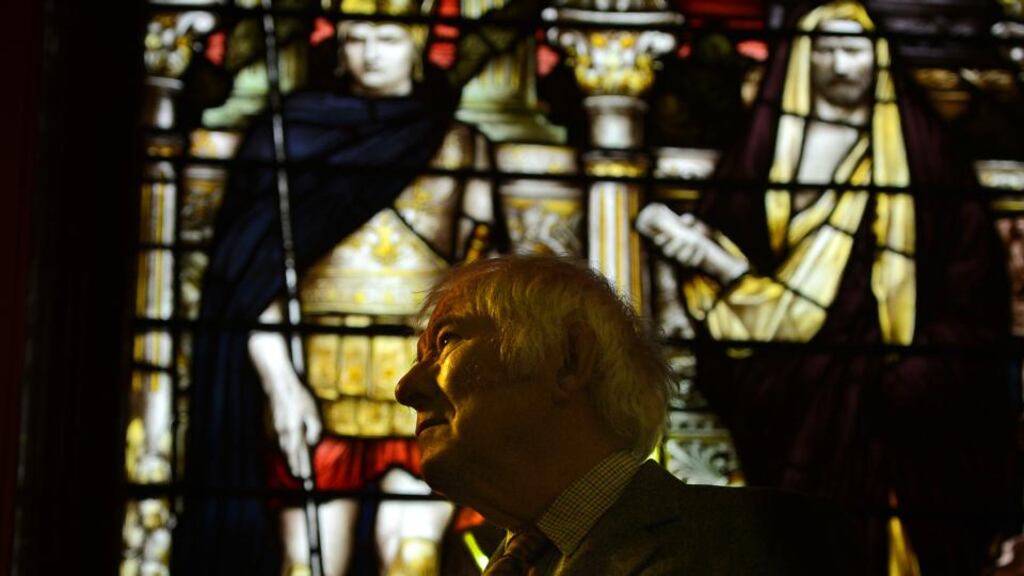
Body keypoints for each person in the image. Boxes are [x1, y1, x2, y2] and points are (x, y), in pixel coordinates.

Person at [637, 1, 1018, 573]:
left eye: (854, 48)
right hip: (789, 396)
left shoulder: (924, 157)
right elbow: (726, 254)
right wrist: (718, 269)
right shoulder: (762, 154)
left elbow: (971, 276)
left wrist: (918, 369)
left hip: (893, 402)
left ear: (878, 57)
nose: (841, 64)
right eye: (828, 49)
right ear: (803, 58)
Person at [175, 0, 550, 573]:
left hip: (425, 380)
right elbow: (252, 283)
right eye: (357, 38)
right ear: (338, 44)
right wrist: (281, 385)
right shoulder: (288, 136)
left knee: (413, 560)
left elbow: (483, 277)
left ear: (421, 43)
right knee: (305, 563)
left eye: (390, 37)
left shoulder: (460, 143)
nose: (372, 54)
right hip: (316, 379)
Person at [395, 255, 852, 575]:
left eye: (446, 341)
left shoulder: (753, 545)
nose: (405, 388)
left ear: (569, 360)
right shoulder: (511, 561)